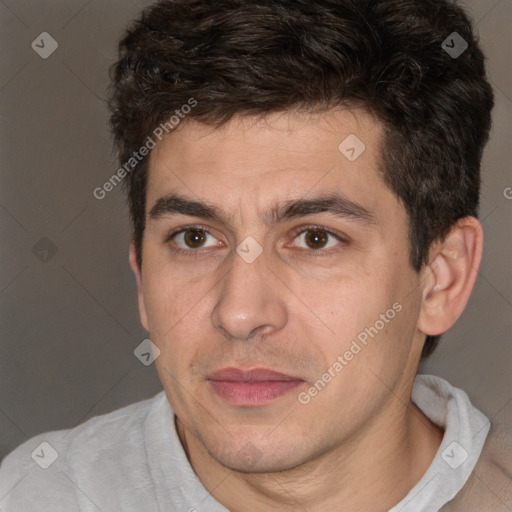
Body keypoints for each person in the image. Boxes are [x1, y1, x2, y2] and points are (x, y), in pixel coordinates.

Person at [1, 0, 510, 510]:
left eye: (315, 238)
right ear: (141, 275)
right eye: (195, 238)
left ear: (441, 278)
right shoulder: (39, 493)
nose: (240, 314)